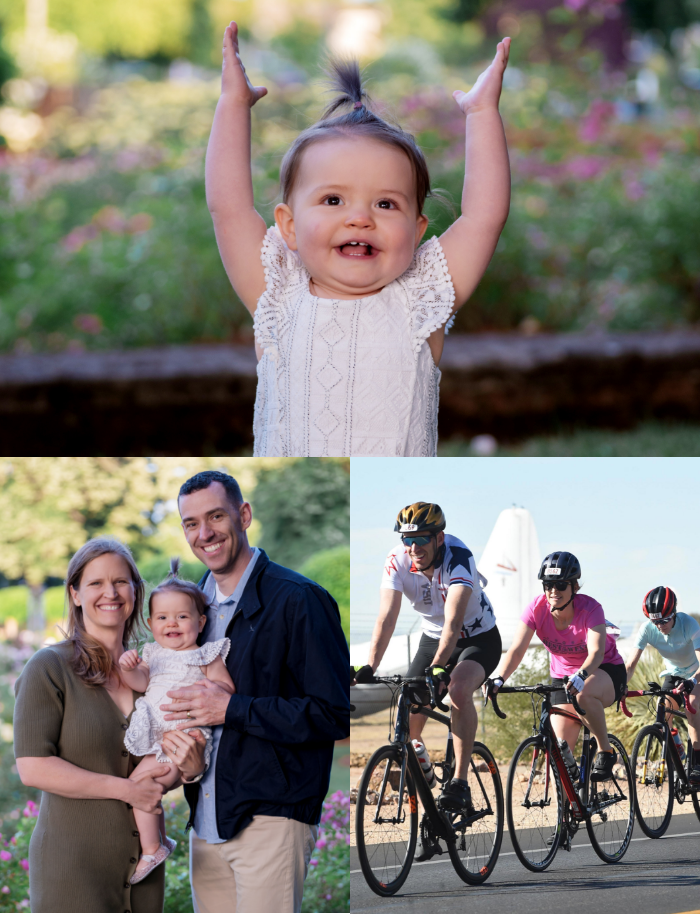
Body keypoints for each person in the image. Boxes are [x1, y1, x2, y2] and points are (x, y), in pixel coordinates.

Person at [205, 21, 511, 456]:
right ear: (288, 226)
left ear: (418, 229)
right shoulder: (276, 293)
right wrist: (232, 104)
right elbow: (228, 208)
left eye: (386, 205)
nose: (360, 219)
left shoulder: (421, 299)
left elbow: (483, 218)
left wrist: (482, 114)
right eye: (333, 200)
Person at [157, 470, 349, 914]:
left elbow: (332, 714)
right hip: (205, 824)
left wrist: (232, 708)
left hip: (271, 821)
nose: (204, 533)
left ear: (243, 515)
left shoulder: (299, 599)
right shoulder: (192, 610)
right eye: (191, 523)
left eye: (216, 516)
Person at [13, 538, 205, 914]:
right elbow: (33, 767)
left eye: (121, 581)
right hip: (71, 871)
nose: (110, 593)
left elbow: (168, 752)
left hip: (143, 873)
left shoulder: (158, 668)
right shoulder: (49, 667)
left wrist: (191, 769)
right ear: (75, 594)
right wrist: (127, 791)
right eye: (96, 583)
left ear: (136, 590)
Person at [354, 502, 501, 855]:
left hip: (476, 639)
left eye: (421, 539)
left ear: (439, 538)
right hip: (433, 638)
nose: (414, 548)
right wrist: (369, 667)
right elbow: (387, 618)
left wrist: (438, 670)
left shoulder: (458, 557)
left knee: (458, 690)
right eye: (408, 540)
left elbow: (453, 623)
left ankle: (461, 781)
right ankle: (431, 810)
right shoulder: (398, 559)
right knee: (409, 716)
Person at [119, 560, 234, 883]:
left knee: (141, 785)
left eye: (182, 616)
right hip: (158, 737)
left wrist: (207, 691)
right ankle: (159, 842)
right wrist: (128, 666)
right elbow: (141, 682)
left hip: (184, 741)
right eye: (163, 617)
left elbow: (226, 690)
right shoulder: (152, 654)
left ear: (200, 621)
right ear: (150, 622)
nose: (173, 623)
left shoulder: (205, 654)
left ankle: (153, 847)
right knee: (143, 786)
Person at [488, 551, 628, 786]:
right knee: (560, 754)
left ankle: (606, 751)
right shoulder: (536, 608)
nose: (554, 590)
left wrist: (582, 675)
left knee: (583, 694)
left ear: (574, 587)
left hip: (602, 670)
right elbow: (516, 651)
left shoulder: (591, 609)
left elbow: (596, 652)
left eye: (561, 585)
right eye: (549, 584)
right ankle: (567, 815)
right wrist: (499, 678)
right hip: (563, 677)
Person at [625, 586, 700, 784]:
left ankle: (698, 763)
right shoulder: (647, 629)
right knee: (663, 708)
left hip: (695, 674)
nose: (660, 625)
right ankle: (679, 755)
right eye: (655, 621)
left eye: (664, 620)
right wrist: (620, 686)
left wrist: (692, 680)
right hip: (673, 675)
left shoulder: (689, 624)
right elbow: (631, 664)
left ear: (674, 613)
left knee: (693, 707)